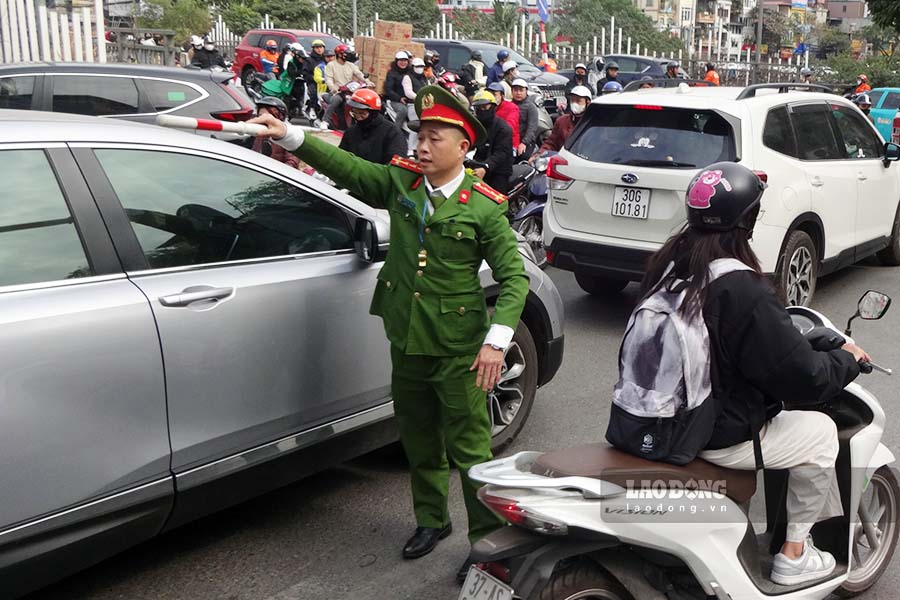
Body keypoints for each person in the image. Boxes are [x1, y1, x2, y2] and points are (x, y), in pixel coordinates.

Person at [249, 84, 528, 583]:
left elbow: (514, 278)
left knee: (470, 451)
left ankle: (487, 541)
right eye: (420, 134)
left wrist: (496, 341)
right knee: (418, 441)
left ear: (463, 146)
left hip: (459, 350)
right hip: (407, 340)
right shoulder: (402, 183)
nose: (421, 145)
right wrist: (289, 134)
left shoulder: (484, 207)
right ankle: (431, 521)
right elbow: (350, 169)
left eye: (435, 137)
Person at [630, 161, 865, 586]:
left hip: (647, 423)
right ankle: (794, 553)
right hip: (710, 437)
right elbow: (804, 379)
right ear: (749, 219)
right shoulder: (741, 286)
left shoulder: (668, 268)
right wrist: (847, 361)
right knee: (821, 432)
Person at [339, 88, 407, 165]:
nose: (358, 117)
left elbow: (395, 165)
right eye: (354, 113)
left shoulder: (392, 133)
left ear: (373, 113)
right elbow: (341, 157)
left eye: (362, 114)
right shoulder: (350, 132)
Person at [530, 85, 591, 162]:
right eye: (572, 100)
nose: (574, 103)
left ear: (587, 103)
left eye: (578, 101)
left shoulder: (592, 124)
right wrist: (538, 154)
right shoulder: (561, 121)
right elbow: (551, 143)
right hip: (562, 162)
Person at [470, 90, 514, 194]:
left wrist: (486, 167)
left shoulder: (503, 128)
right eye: (478, 108)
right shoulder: (475, 125)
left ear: (493, 107)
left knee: (496, 200)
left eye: (485, 107)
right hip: (478, 166)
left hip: (499, 171)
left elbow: (501, 153)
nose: (482, 110)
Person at [243, 96, 300, 169]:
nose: (263, 120)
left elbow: (292, 161)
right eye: (260, 116)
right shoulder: (259, 133)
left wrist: (280, 172)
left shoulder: (287, 136)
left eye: (267, 117)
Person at [321, 44, 368, 130]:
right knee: (336, 100)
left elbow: (359, 74)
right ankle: (325, 121)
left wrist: (367, 81)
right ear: (339, 54)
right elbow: (328, 79)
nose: (347, 55)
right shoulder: (331, 65)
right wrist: (333, 87)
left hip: (350, 91)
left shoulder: (351, 65)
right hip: (337, 92)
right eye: (345, 53)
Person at [402, 57, 429, 153]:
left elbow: (428, 88)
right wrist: (419, 97)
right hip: (413, 104)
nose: (420, 68)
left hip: (425, 105)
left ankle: (420, 148)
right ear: (413, 67)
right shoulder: (407, 77)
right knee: (415, 125)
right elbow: (408, 92)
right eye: (418, 66)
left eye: (422, 66)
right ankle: (410, 149)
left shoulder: (424, 78)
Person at [487, 82, 520, 151]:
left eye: (494, 94)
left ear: (502, 96)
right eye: (489, 94)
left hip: (508, 144)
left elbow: (510, 127)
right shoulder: (486, 107)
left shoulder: (511, 107)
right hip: (490, 143)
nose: (491, 97)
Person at [511, 78, 539, 159]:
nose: (518, 93)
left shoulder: (531, 107)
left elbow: (532, 127)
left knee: (522, 156)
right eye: (515, 90)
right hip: (510, 140)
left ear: (526, 91)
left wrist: (524, 143)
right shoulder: (508, 105)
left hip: (526, 141)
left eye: (521, 90)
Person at [386, 51, 413, 134]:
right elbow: (389, 90)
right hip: (396, 101)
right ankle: (395, 132)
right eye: (400, 60)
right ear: (396, 61)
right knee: (403, 111)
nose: (403, 63)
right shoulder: (391, 73)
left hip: (411, 100)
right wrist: (399, 98)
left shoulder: (411, 72)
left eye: (405, 60)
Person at [303, 39, 327, 119]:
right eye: (316, 47)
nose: (319, 49)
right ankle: (312, 109)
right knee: (313, 93)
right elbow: (305, 74)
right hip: (313, 82)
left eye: (320, 47)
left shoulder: (326, 59)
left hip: (326, 81)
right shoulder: (309, 60)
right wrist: (315, 78)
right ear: (313, 49)